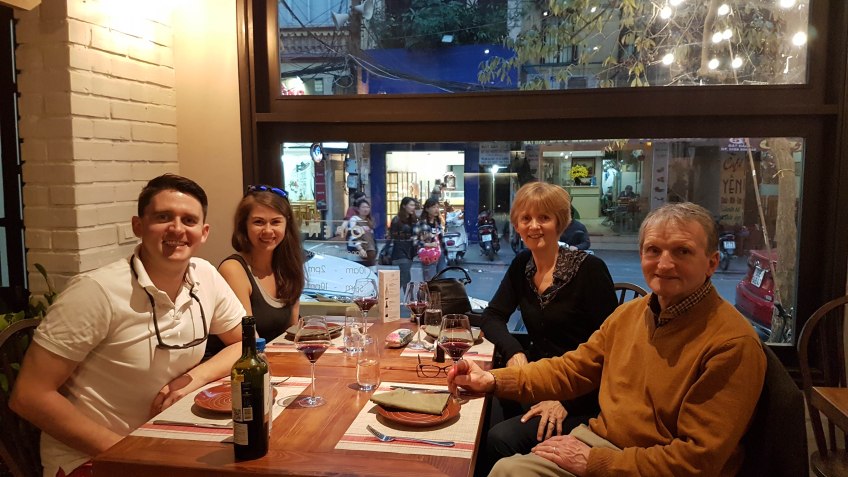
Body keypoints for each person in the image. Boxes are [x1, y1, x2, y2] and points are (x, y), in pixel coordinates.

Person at [451, 202, 767, 477]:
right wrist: (492, 379)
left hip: (645, 463)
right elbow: (571, 369)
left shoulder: (731, 344)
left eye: (682, 251)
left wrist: (596, 462)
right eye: (653, 250)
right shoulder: (630, 315)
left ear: (712, 263)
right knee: (506, 468)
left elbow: (696, 461)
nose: (664, 264)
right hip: (602, 439)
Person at [10, 174, 247, 477]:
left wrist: (194, 378)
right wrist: (128, 454)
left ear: (204, 232)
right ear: (138, 226)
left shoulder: (205, 275)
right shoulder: (96, 291)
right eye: (163, 217)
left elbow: (245, 343)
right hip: (94, 457)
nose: (177, 229)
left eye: (188, 220)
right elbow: (29, 395)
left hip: (168, 439)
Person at [479, 182, 618, 473]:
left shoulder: (589, 270)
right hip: (538, 381)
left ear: (560, 222)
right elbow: (492, 316)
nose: (534, 226)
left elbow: (613, 353)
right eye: (526, 218)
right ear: (517, 225)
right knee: (480, 413)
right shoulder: (523, 265)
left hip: (583, 397)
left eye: (544, 217)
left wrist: (566, 402)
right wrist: (515, 351)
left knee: (498, 438)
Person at [212, 184, 303, 353]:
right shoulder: (233, 269)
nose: (268, 230)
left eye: (275, 222)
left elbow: (293, 332)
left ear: (287, 225)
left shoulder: (289, 266)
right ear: (244, 226)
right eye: (258, 222)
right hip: (245, 363)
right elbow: (250, 342)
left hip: (278, 359)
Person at [389, 197, 418, 293]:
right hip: (399, 251)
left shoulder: (413, 219)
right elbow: (393, 235)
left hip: (410, 251)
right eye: (411, 205)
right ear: (404, 206)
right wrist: (408, 236)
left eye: (414, 205)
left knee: (403, 277)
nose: (413, 207)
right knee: (406, 276)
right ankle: (407, 298)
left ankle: (391, 295)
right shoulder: (397, 220)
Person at [414, 197, 447, 281]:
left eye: (437, 207)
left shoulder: (438, 222)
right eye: (433, 207)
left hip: (440, 254)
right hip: (428, 255)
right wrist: (428, 244)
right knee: (430, 280)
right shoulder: (421, 224)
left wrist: (445, 252)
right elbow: (414, 242)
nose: (436, 209)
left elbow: (441, 239)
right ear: (427, 209)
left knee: (442, 280)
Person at [346, 197, 377, 267]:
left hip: (369, 250)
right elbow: (353, 235)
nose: (366, 209)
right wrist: (360, 249)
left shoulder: (370, 221)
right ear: (358, 209)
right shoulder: (354, 219)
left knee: (370, 269)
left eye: (367, 207)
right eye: (363, 207)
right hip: (356, 249)